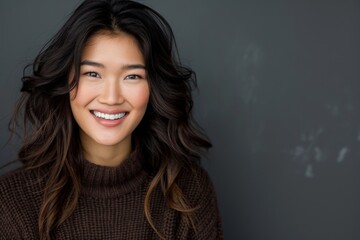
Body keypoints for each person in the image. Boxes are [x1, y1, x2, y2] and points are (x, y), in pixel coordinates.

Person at [0, 0, 223, 239]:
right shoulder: (12, 203)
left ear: (154, 87)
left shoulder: (189, 192)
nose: (111, 97)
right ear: (65, 81)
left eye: (132, 76)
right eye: (93, 74)